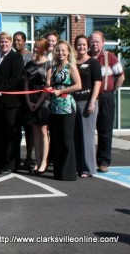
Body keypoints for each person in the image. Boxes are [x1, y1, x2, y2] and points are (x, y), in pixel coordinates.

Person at [0, 31, 24, 175]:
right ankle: (1, 161)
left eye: (6, 41)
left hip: (11, 103)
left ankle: (11, 164)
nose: (3, 44)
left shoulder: (16, 57)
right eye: (1, 42)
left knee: (11, 134)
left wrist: (0, 90)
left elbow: (15, 78)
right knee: (0, 134)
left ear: (10, 43)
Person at [44, 41, 81, 181]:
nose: (61, 53)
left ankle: (69, 173)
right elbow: (48, 84)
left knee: (66, 139)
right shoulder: (52, 67)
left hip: (67, 107)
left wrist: (61, 91)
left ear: (68, 52)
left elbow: (78, 85)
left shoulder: (70, 66)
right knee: (57, 140)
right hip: (54, 107)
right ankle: (58, 172)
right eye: (58, 51)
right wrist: (49, 88)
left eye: (63, 51)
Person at [88, 31, 125, 173]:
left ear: (103, 43)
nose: (94, 44)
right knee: (88, 131)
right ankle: (87, 160)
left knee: (105, 131)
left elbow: (120, 77)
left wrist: (111, 92)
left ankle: (103, 162)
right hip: (88, 98)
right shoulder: (85, 57)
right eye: (92, 41)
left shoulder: (110, 57)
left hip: (105, 98)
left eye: (97, 41)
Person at [74, 35, 102, 178]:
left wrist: (92, 101)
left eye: (84, 45)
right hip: (73, 103)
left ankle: (88, 168)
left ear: (88, 46)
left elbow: (97, 83)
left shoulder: (93, 63)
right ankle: (78, 166)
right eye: (79, 45)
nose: (82, 47)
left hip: (87, 103)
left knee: (87, 137)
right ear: (75, 46)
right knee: (76, 136)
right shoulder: (72, 62)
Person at [24, 38, 51, 174]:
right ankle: (38, 160)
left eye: (38, 47)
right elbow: (26, 83)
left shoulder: (48, 64)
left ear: (44, 49)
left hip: (44, 101)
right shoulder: (29, 64)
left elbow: (48, 85)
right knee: (35, 132)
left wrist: (38, 102)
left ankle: (44, 162)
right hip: (31, 100)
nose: (35, 49)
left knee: (43, 131)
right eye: (35, 47)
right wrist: (29, 101)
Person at [13, 31, 34, 171]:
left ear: (24, 41)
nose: (16, 43)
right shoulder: (12, 56)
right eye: (14, 40)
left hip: (28, 99)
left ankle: (28, 159)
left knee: (29, 130)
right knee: (15, 131)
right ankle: (15, 159)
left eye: (19, 40)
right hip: (15, 99)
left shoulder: (31, 57)